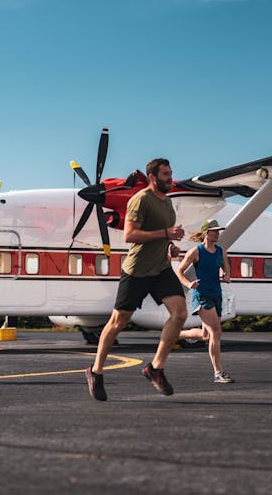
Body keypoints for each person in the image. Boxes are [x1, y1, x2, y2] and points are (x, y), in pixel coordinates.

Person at [85, 158, 188, 401]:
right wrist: (165, 234)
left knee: (180, 314)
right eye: (165, 174)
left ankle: (155, 369)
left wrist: (171, 246)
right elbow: (130, 235)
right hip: (137, 270)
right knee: (118, 322)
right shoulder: (140, 200)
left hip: (161, 269)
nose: (170, 177)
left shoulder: (168, 204)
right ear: (153, 177)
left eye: (171, 173)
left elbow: (165, 237)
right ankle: (96, 371)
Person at [175, 219, 234, 384]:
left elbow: (225, 266)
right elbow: (179, 271)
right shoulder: (196, 251)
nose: (217, 233)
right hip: (201, 295)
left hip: (217, 294)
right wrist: (188, 284)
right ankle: (218, 372)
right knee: (216, 332)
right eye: (214, 230)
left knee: (206, 335)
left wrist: (226, 274)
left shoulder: (221, 251)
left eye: (218, 230)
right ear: (206, 233)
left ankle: (176, 334)